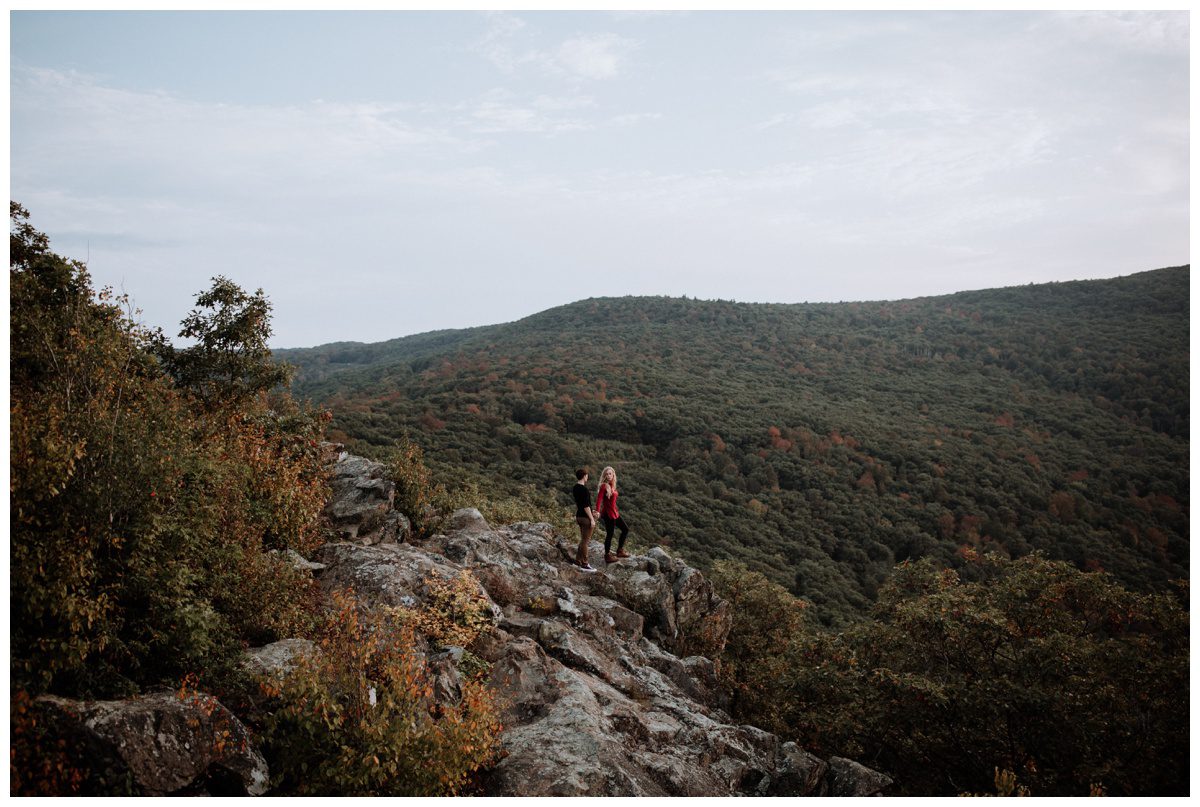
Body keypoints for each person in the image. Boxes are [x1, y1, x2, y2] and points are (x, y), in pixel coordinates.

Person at [595, 466, 630, 564]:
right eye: (606, 474)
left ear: (613, 474)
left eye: (610, 473)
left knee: (625, 529)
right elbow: (599, 499)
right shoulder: (604, 486)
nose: (608, 475)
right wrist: (597, 511)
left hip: (615, 513)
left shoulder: (612, 485)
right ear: (604, 476)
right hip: (608, 514)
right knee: (610, 534)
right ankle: (607, 555)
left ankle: (619, 551)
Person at [572, 468, 598, 572]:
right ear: (584, 476)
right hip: (585, 518)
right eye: (587, 475)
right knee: (585, 541)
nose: (587, 477)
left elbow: (581, 504)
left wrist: (592, 512)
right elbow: (586, 506)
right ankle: (585, 564)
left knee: (583, 539)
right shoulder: (584, 489)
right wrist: (592, 519)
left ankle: (578, 561)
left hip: (578, 516)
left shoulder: (575, 488)